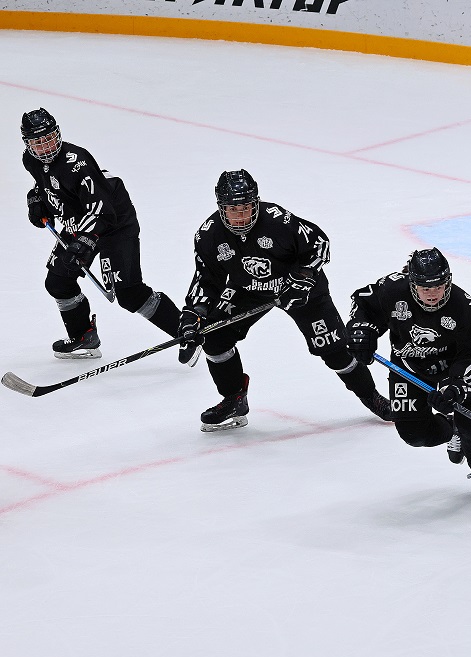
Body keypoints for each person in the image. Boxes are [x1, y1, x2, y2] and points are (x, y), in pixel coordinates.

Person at [177, 169, 391, 432]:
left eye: (245, 208)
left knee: (334, 350)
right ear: (221, 208)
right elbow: (206, 279)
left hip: (300, 290)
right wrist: (194, 314)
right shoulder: (209, 235)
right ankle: (234, 399)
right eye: (233, 210)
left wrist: (302, 278)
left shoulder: (278, 220)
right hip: (247, 290)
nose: (240, 216)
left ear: (256, 203)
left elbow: (319, 244)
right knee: (215, 336)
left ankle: (371, 397)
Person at [21, 108, 183, 358]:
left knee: (129, 294)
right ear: (28, 145)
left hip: (115, 221)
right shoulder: (31, 160)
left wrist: (84, 242)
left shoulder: (78, 162)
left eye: (49, 138)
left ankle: (188, 332)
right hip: (81, 219)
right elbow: (46, 182)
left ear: (58, 133)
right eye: (38, 142)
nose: (46, 147)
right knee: (58, 281)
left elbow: (103, 210)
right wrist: (36, 199)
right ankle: (84, 337)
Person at [345, 248, 471, 498]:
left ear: (448, 281)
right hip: (407, 369)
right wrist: (361, 329)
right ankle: (452, 429)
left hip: (452, 373)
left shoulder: (466, 308)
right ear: (412, 283)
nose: (433, 294)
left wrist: (457, 386)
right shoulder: (392, 290)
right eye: (425, 288)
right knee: (414, 435)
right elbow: (363, 303)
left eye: (439, 287)